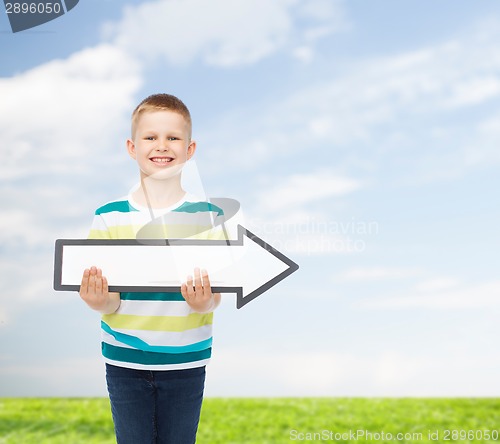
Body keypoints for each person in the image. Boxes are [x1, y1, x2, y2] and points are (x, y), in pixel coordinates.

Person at [79, 93, 225, 443]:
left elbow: (218, 291)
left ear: (190, 150)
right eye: (151, 137)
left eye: (173, 137)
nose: (162, 146)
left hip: (185, 361)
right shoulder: (108, 216)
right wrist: (100, 302)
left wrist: (205, 302)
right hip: (124, 361)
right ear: (132, 147)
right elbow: (110, 299)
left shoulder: (208, 217)